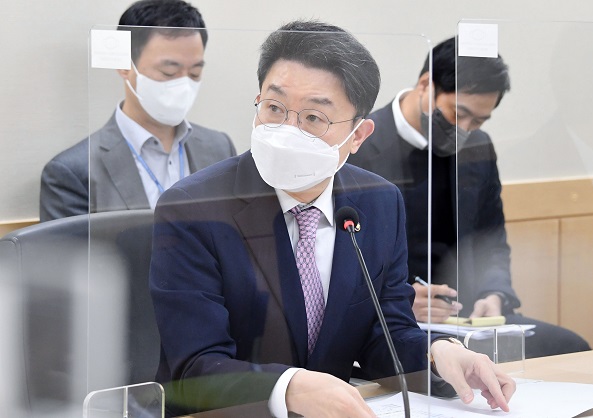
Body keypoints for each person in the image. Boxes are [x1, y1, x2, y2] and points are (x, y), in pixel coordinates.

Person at [149, 21, 515, 418]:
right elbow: (194, 367)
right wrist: (288, 388)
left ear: (358, 136)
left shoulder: (378, 202)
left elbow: (385, 335)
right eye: (274, 108)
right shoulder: (193, 207)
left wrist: (437, 353)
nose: (287, 130)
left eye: (313, 117)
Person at [348, 36, 591, 358]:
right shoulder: (359, 145)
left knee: (570, 347)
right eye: (457, 113)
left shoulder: (478, 146)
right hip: (392, 322)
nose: (464, 129)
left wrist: (495, 293)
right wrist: (397, 299)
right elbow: (340, 259)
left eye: (477, 121)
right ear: (426, 85)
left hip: (467, 319)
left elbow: (492, 237)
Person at [39, 0, 236, 222]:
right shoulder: (73, 172)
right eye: (169, 72)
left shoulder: (219, 148)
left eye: (194, 73)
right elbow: (69, 246)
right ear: (125, 65)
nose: (183, 85)